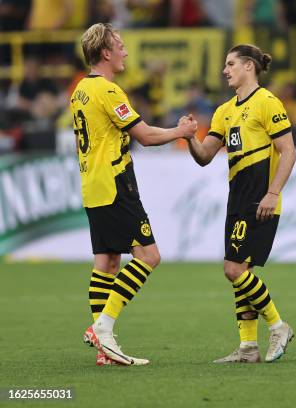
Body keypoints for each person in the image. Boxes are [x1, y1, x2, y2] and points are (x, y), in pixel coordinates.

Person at [72, 23, 198, 366]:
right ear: (105, 53)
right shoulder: (109, 92)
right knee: (149, 256)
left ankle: (105, 352)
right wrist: (181, 131)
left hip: (91, 184)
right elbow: (144, 135)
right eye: (120, 46)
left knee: (107, 262)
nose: (126, 52)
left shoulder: (80, 90)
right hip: (115, 184)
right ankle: (103, 328)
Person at [185, 44, 296, 363]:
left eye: (231, 63)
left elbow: (288, 151)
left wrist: (273, 192)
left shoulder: (267, 102)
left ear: (249, 66)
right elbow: (205, 156)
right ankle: (248, 348)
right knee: (240, 270)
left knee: (234, 269)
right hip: (237, 198)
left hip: (260, 199)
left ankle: (277, 325)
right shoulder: (224, 111)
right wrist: (189, 137)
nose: (225, 70)